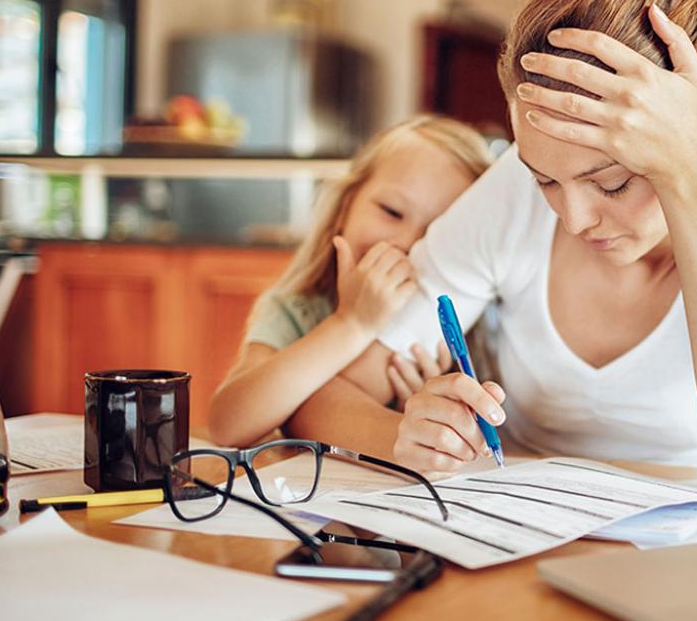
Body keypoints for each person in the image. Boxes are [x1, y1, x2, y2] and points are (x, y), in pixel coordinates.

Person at [290, 0, 697, 504]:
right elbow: (324, 396)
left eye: (612, 183)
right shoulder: (510, 194)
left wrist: (693, 180)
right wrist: (405, 434)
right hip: (524, 536)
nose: (573, 218)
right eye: (546, 179)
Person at [207, 116, 494, 448]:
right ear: (345, 206)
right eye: (391, 211)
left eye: (435, 233)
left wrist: (425, 410)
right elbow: (227, 425)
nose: (407, 242)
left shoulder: (474, 323)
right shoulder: (297, 308)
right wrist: (352, 323)